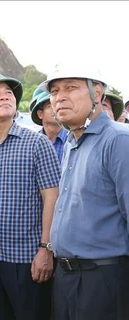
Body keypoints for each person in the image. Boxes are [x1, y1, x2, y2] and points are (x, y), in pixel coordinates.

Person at [0, 73, 60, 320]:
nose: (4, 95)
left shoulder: (37, 143)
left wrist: (45, 248)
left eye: (8, 92)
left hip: (27, 256)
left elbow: (52, 196)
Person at [40, 63, 129, 319]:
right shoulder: (71, 141)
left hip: (103, 279)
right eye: (55, 91)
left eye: (71, 88)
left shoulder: (118, 141)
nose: (60, 97)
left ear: (97, 93)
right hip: (67, 277)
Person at [30, 87, 68, 163]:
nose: (55, 108)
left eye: (57, 104)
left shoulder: (72, 139)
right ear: (40, 114)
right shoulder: (32, 142)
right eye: (49, 106)